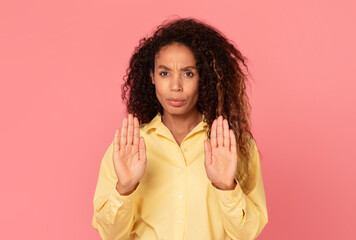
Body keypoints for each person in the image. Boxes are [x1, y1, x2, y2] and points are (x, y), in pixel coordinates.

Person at [92, 17, 268, 240]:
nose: (175, 86)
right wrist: (124, 187)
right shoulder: (128, 147)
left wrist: (226, 187)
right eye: (165, 73)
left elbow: (248, 234)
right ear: (152, 76)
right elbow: (110, 235)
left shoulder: (233, 146)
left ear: (202, 77)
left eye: (188, 73)